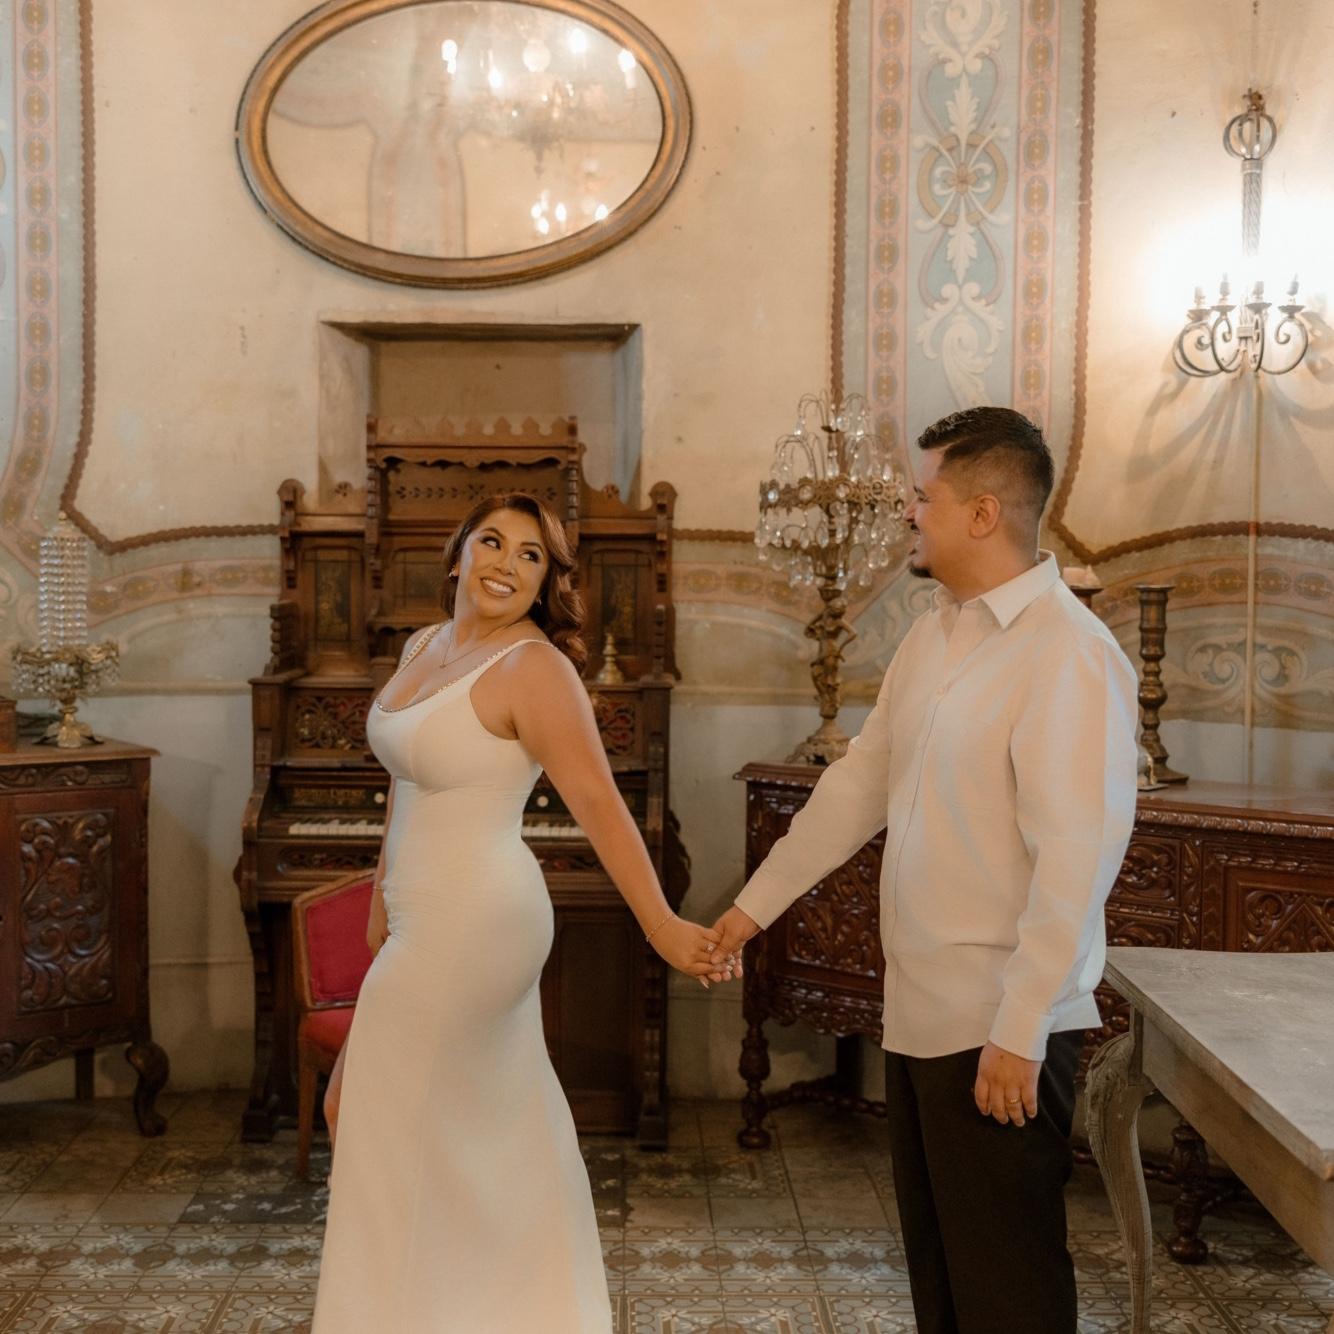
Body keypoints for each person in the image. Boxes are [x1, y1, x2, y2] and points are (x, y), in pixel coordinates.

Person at [708, 407, 1138, 1334]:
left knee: (1009, 1289)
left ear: (983, 513)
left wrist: (1020, 1029)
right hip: (922, 1009)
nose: (910, 512)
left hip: (1001, 1024)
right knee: (944, 1278)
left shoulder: (1069, 652)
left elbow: (1076, 860)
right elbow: (858, 786)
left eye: (922, 495)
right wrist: (751, 909)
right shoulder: (933, 635)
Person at [312, 492, 729, 1333]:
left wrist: (661, 926)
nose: (506, 563)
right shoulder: (423, 645)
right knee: (457, 1129)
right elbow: (404, 780)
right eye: (493, 542)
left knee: (363, 1111)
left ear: (546, 582)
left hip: (477, 923)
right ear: (458, 553)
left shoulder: (534, 670)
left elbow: (599, 803)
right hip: (419, 918)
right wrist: (381, 897)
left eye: (530, 555)